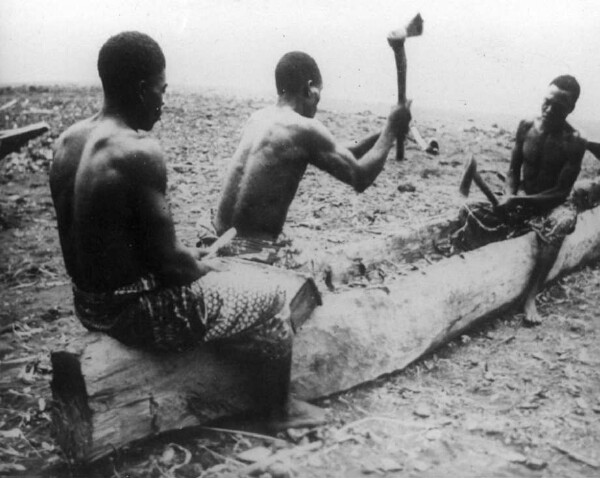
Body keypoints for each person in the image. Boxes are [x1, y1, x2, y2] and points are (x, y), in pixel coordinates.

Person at [49, 31, 324, 429]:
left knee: (212, 270)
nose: (163, 101)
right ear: (142, 90)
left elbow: (116, 244)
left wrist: (183, 255)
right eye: (162, 90)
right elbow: (173, 272)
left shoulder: (68, 141)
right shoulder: (138, 150)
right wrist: (207, 269)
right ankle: (277, 412)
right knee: (271, 297)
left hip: (88, 305)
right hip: (134, 314)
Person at [212, 51, 411, 248]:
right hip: (249, 248)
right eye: (319, 96)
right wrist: (392, 129)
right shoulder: (306, 129)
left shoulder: (259, 118)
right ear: (309, 89)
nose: (317, 105)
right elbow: (361, 178)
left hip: (215, 236)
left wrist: (385, 132)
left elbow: (337, 152)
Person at [455, 75, 586, 325]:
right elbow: (514, 170)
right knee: (470, 210)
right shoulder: (526, 126)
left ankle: (531, 296)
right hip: (522, 195)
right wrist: (509, 195)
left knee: (558, 226)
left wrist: (518, 202)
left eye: (557, 108)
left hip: (555, 203)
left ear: (570, 109)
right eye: (546, 103)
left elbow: (560, 191)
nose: (548, 110)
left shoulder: (575, 141)